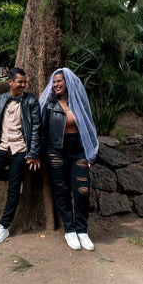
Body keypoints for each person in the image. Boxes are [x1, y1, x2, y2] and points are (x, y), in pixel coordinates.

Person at [0, 67, 41, 245]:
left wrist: (34, 152)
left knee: (13, 189)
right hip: (2, 147)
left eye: (24, 82)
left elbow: (36, 128)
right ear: (10, 82)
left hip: (21, 149)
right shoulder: (0, 100)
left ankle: (3, 227)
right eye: (20, 82)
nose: (23, 85)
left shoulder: (31, 102)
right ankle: (15, 177)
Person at [39, 67, 98, 251]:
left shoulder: (78, 103)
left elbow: (89, 127)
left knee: (82, 190)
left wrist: (91, 152)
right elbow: (41, 130)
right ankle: (70, 230)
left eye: (59, 81)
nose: (56, 84)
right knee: (62, 189)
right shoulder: (49, 105)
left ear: (68, 83)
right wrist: (38, 154)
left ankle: (82, 230)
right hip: (56, 150)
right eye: (54, 81)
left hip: (78, 150)